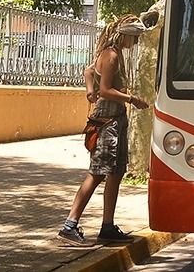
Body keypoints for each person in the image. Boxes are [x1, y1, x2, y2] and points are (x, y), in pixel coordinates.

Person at [57, 14, 151, 246]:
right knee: (98, 172)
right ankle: (70, 224)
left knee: (116, 172)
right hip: (107, 122)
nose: (135, 43)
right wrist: (131, 98)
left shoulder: (111, 53)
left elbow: (89, 72)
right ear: (125, 35)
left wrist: (90, 90)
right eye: (134, 38)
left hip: (116, 121)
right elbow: (107, 90)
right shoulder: (111, 55)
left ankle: (107, 226)